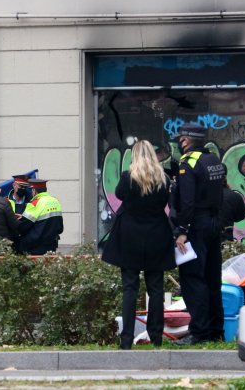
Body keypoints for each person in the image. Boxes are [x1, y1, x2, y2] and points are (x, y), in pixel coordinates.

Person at [101, 140, 176, 349]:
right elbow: (165, 203)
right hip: (156, 235)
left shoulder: (128, 177)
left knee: (130, 288)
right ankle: (156, 337)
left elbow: (118, 194)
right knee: (156, 289)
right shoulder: (163, 178)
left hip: (129, 236)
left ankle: (126, 339)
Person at [172, 123, 226, 345]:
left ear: (186, 140)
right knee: (213, 279)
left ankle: (199, 332)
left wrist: (182, 230)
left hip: (196, 225)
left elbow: (187, 201)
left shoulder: (187, 163)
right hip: (214, 225)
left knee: (194, 278)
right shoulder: (214, 160)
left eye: (180, 139)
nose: (178, 142)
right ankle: (216, 331)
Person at [17, 179, 63, 255]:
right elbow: (60, 227)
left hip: (36, 247)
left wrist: (19, 220)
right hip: (51, 245)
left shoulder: (35, 203)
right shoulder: (55, 201)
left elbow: (23, 227)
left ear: (34, 190)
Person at [220, 164, 245, 242]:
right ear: (225, 177)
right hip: (226, 241)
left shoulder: (203, 195)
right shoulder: (234, 196)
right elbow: (240, 217)